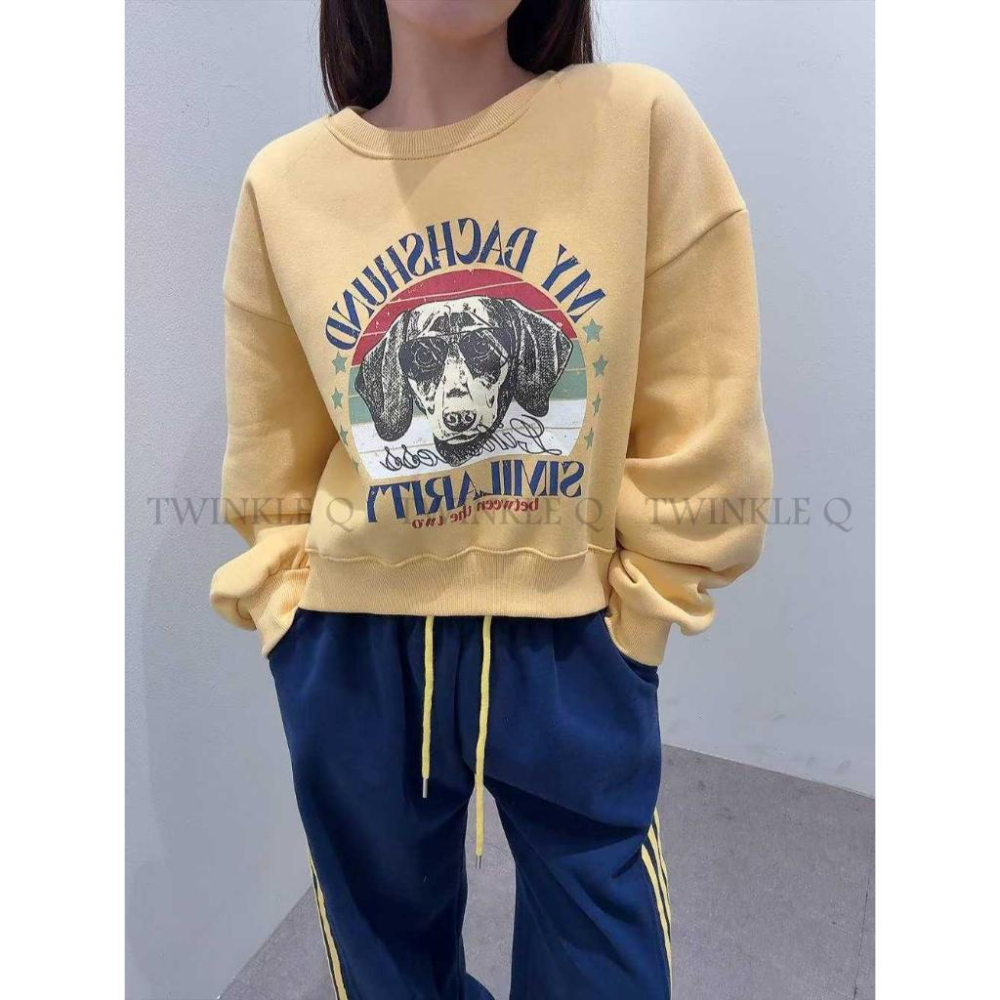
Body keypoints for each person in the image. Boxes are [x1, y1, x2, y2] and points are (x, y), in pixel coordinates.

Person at [210, 1, 771, 996]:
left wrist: (643, 613)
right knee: (384, 966)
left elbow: (702, 409)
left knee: (605, 961)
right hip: (352, 642)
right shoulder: (285, 183)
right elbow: (272, 454)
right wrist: (289, 615)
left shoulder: (635, 124)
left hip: (573, 633)